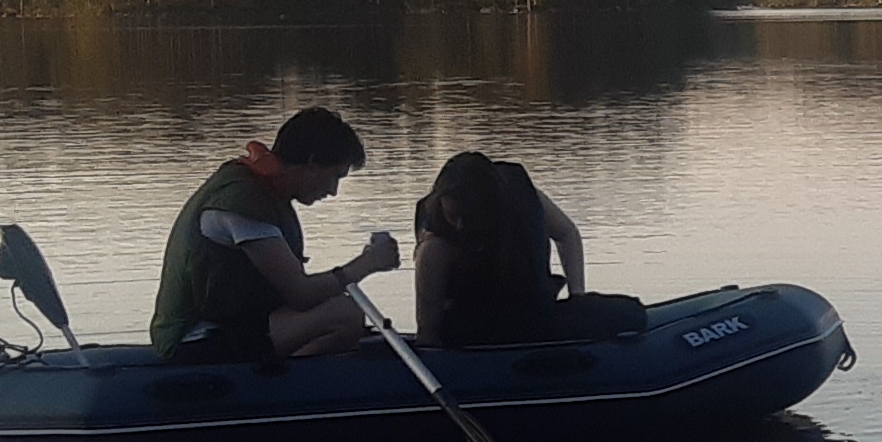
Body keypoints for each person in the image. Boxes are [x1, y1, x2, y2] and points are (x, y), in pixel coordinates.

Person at [151, 107, 401, 361]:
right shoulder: (243, 203)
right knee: (345, 315)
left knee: (343, 310)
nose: (334, 191)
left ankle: (286, 374)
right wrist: (366, 264)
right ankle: (280, 384)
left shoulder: (265, 194)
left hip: (235, 322)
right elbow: (301, 294)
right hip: (195, 337)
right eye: (335, 176)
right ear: (312, 162)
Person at [412, 149, 641, 347]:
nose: (461, 226)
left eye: (470, 216)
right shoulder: (434, 249)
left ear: (490, 204)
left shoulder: (523, 201)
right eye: (453, 216)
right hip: (476, 334)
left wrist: (577, 295)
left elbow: (566, 234)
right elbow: (428, 334)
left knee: (633, 312)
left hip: (535, 316)